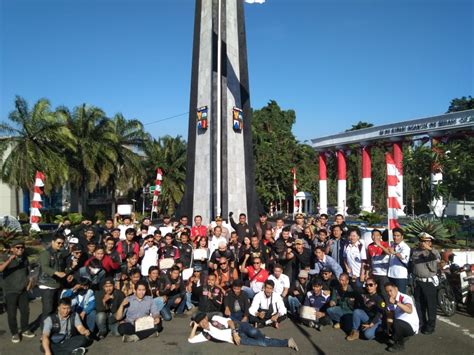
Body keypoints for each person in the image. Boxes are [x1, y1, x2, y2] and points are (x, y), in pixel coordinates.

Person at [188, 312, 299, 351]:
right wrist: (195, 326)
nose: (203, 323)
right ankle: (287, 342)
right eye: (200, 323)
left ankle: (262, 336)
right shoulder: (205, 334)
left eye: (203, 320)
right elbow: (191, 340)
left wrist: (234, 333)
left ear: (206, 318)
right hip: (238, 339)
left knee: (255, 333)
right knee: (262, 343)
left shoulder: (215, 319)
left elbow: (230, 322)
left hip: (239, 327)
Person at [0, 239, 35, 343]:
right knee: (12, 314)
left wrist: (29, 284)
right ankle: (15, 333)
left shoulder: (24, 258)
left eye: (22, 247)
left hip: (23, 290)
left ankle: (25, 330)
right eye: (18, 247)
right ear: (12, 249)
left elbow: (28, 272)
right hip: (10, 290)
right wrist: (10, 260)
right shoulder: (5, 257)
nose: (20, 249)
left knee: (25, 311)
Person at [411, 232, 440, 335]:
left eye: (426, 241)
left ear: (430, 242)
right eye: (422, 241)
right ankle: (422, 323)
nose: (423, 243)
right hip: (418, 281)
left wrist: (430, 250)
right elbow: (414, 263)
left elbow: (437, 261)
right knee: (419, 304)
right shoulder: (415, 252)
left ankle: (431, 326)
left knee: (430, 305)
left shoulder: (434, 252)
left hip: (429, 282)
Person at [38, 234, 69, 327]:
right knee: (48, 309)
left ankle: (53, 328)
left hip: (57, 284)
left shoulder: (59, 253)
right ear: (52, 242)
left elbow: (62, 267)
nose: (60, 245)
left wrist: (66, 273)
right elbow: (45, 267)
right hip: (47, 284)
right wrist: (56, 273)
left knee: (56, 307)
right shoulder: (46, 253)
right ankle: (44, 331)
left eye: (62, 243)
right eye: (58, 243)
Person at [384, 282, 419, 352]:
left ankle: (400, 345)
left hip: (411, 326)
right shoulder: (390, 301)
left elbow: (409, 310)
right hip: (400, 324)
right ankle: (400, 336)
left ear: (396, 289)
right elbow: (390, 316)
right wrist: (389, 329)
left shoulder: (405, 297)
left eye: (391, 290)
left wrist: (396, 302)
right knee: (388, 327)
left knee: (396, 323)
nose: (389, 293)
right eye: (387, 292)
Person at [367, 229, 390, 299]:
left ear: (380, 236)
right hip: (374, 273)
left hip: (383, 274)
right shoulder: (370, 246)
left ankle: (388, 308)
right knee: (376, 293)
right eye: (373, 235)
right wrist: (368, 272)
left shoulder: (385, 244)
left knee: (384, 293)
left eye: (377, 235)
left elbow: (388, 252)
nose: (374, 237)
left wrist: (380, 245)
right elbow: (369, 259)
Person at [387, 228, 411, 293]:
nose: (395, 237)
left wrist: (394, 252)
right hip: (391, 274)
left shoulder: (405, 247)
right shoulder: (392, 245)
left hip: (400, 276)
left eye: (398, 236)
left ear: (402, 237)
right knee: (391, 295)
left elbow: (404, 258)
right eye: (394, 235)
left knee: (400, 296)